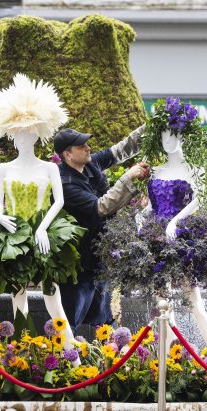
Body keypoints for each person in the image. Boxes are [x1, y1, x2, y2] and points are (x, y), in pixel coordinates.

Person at [0, 73, 84, 360]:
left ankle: (73, 355)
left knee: (53, 297)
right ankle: (20, 356)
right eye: (18, 134)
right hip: (13, 235)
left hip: (45, 236)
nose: (22, 138)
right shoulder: (3, 169)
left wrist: (43, 227)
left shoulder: (50, 168)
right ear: (11, 135)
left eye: (28, 133)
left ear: (36, 134)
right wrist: (1, 217)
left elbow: (58, 201)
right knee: (18, 299)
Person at [54, 125, 149, 333]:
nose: (88, 148)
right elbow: (101, 207)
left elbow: (121, 149)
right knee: (67, 323)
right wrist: (129, 177)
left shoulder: (90, 163)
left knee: (105, 321)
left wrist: (153, 126)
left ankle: (111, 357)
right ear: (67, 154)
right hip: (78, 264)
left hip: (100, 257)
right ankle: (60, 360)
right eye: (81, 146)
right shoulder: (64, 183)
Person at [137, 99, 207, 345]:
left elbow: (199, 200)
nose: (168, 140)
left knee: (194, 301)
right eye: (164, 135)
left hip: (184, 238)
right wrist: (141, 215)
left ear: (182, 135)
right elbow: (153, 205)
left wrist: (176, 221)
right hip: (157, 238)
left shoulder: (194, 169)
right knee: (163, 304)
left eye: (173, 134)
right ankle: (166, 363)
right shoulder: (156, 171)